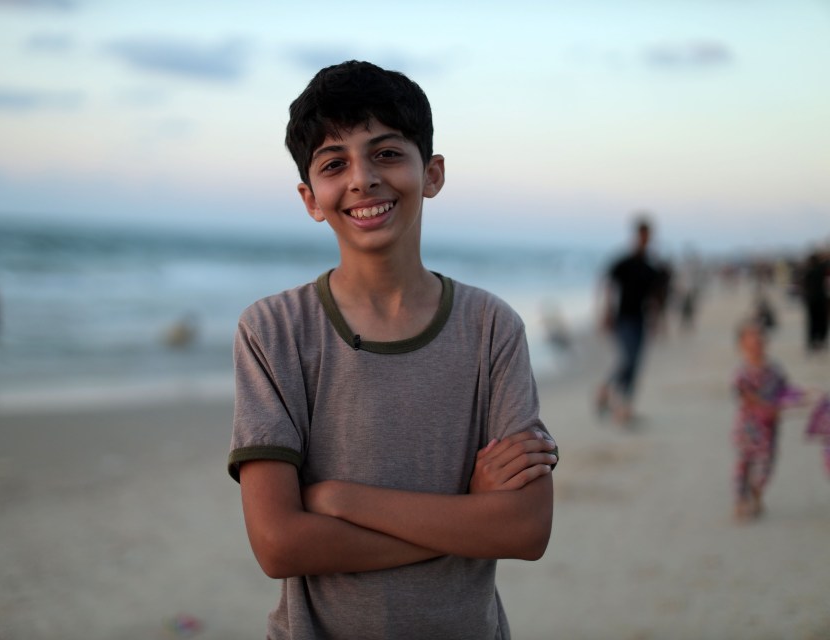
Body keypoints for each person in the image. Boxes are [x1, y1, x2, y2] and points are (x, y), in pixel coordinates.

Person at [227, 60, 557, 640]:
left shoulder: (491, 328)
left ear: (432, 173)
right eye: (334, 164)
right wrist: (467, 518)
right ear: (310, 198)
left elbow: (525, 529)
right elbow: (279, 545)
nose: (362, 180)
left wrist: (339, 499)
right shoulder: (273, 331)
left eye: (386, 154)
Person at [596, 216, 660, 425]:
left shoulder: (649, 266)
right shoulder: (624, 262)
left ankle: (624, 405)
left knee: (635, 365)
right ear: (637, 235)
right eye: (643, 235)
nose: (645, 239)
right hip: (623, 319)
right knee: (627, 360)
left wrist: (656, 321)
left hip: (640, 320)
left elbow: (653, 297)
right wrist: (606, 311)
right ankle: (609, 392)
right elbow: (608, 283)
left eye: (647, 236)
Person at [731, 319, 794, 521]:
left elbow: (786, 391)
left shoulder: (775, 370)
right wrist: (765, 406)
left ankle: (757, 495)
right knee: (745, 463)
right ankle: (741, 501)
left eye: (760, 338)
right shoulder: (742, 372)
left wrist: (793, 401)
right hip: (748, 426)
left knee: (766, 465)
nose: (756, 342)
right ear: (742, 344)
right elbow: (744, 395)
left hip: (770, 428)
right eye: (751, 339)